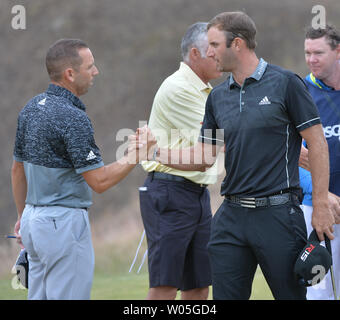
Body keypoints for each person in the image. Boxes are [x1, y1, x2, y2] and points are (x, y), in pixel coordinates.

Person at [149, 11, 335, 300]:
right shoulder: (217, 97)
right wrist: (156, 152)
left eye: (214, 45)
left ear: (237, 44)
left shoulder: (286, 83)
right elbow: (204, 156)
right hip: (231, 218)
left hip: (278, 216)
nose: (210, 53)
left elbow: (317, 143)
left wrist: (321, 202)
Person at [11, 39, 154, 300]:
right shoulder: (73, 117)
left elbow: (17, 171)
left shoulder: (30, 108)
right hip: (62, 225)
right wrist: (137, 154)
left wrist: (23, 217)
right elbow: (99, 181)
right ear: (70, 74)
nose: (95, 72)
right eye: (90, 66)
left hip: (32, 220)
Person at [139, 22, 222, 300]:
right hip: (170, 193)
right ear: (195, 54)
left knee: (198, 285)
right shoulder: (179, 88)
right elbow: (214, 147)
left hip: (195, 195)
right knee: (166, 285)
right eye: (212, 51)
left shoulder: (204, 89)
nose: (218, 56)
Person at [299, 24, 340, 299]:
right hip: (318, 210)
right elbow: (290, 156)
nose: (311, 59)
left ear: (338, 51)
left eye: (319, 53)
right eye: (307, 53)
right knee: (318, 293)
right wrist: (322, 195)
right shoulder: (301, 92)